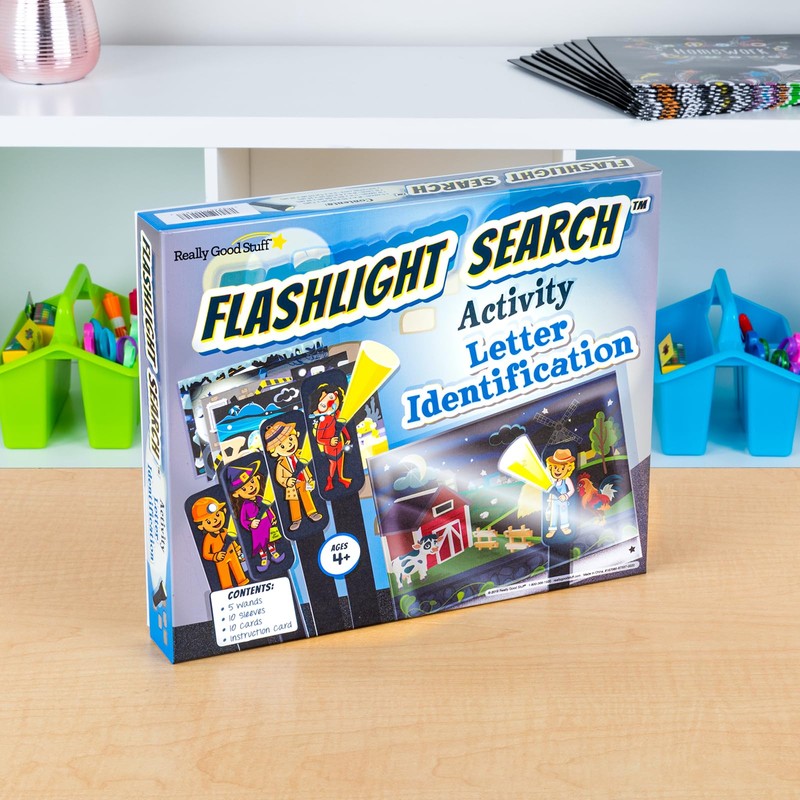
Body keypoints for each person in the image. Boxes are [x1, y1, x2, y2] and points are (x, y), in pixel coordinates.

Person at [263, 421, 324, 532]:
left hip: (303, 482)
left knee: (306, 496)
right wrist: (287, 481)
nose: (289, 445)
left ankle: (312, 513)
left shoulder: (301, 454)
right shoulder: (280, 464)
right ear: (275, 451)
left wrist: (309, 478)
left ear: (296, 435)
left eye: (290, 439)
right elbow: (279, 478)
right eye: (282, 446)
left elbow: (306, 469)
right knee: (293, 502)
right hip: (291, 486)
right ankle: (296, 520)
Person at [544, 448, 576, 537]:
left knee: (564, 513)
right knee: (553, 515)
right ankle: (552, 529)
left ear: (568, 468)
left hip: (563, 501)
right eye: (555, 467)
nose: (558, 470)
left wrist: (566, 496)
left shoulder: (566, 479)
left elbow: (572, 490)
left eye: (562, 468)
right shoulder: (552, 481)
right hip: (553, 501)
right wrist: (549, 501)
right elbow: (549, 489)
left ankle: (564, 527)